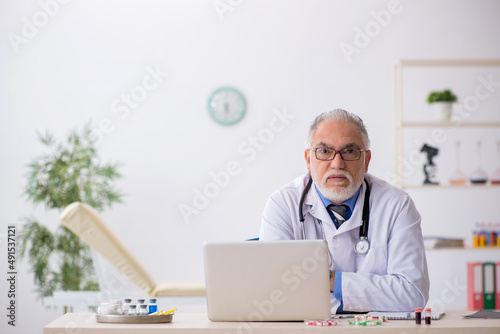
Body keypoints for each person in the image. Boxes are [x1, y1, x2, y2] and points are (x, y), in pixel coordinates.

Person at [259, 109, 429, 314]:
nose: (337, 164)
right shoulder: (283, 203)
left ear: (366, 160)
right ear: (308, 160)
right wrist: (366, 297)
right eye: (324, 151)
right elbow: (275, 293)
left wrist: (330, 280)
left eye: (349, 151)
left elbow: (412, 295)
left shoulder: (396, 205)